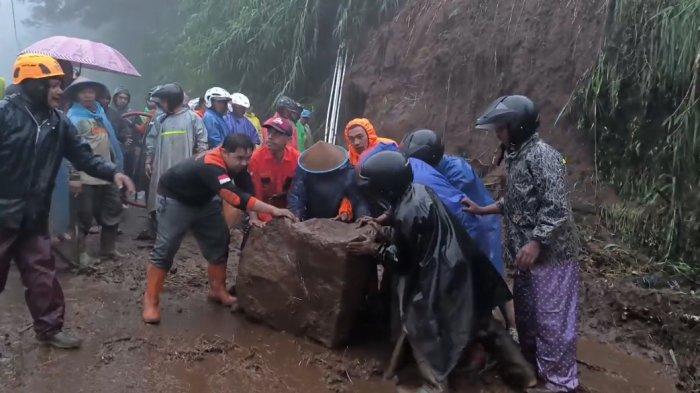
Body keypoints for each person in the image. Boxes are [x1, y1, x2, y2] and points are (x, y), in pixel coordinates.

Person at [348, 151, 534, 392]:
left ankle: (435, 384)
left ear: (386, 187)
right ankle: (526, 376)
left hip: (442, 277)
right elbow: (406, 226)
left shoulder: (408, 212)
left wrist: (374, 249)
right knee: (486, 325)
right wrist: (382, 224)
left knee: (422, 327)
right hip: (465, 265)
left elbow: (401, 261)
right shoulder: (417, 190)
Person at [0, 54, 135, 349]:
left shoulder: (58, 123)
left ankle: (49, 330)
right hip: (2, 215)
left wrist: (114, 172)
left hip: (33, 217)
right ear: (33, 84)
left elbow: (84, 156)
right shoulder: (4, 114)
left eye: (61, 85)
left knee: (42, 275)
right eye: (54, 85)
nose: (61, 91)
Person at [463, 95, 580, 392]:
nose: (498, 134)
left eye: (501, 128)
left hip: (551, 257)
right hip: (527, 257)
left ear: (518, 126)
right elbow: (516, 202)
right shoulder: (519, 156)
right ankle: (532, 368)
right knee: (528, 318)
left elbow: (556, 207)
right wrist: (482, 209)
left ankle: (559, 382)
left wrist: (537, 242)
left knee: (552, 323)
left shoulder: (543, 156)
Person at [142, 134, 296, 324]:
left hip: (204, 200)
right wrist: (272, 210)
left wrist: (257, 216)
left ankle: (218, 290)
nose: (244, 163)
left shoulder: (237, 164)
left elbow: (247, 189)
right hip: (176, 199)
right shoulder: (211, 165)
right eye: (239, 158)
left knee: (219, 240)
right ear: (224, 152)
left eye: (248, 158)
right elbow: (235, 197)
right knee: (165, 249)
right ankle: (151, 300)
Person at [64, 77, 126, 266]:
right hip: (85, 176)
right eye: (84, 92)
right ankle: (81, 254)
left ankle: (108, 248)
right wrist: (74, 176)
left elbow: (112, 142)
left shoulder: (100, 114)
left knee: (112, 210)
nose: (88, 95)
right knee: (83, 216)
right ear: (76, 95)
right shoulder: (72, 118)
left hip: (106, 172)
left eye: (91, 91)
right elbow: (68, 151)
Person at [139, 83, 208, 240]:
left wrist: (198, 163)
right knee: (157, 199)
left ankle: (180, 230)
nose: (161, 105)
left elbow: (202, 143)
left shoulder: (192, 118)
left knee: (182, 200)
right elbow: (152, 140)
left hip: (184, 168)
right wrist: (148, 160)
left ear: (172, 100)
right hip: (161, 167)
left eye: (163, 101)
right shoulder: (160, 119)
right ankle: (157, 231)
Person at [287, 141, 370, 221]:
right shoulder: (305, 171)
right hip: (311, 220)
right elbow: (297, 195)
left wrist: (362, 218)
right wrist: (295, 216)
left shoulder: (347, 173)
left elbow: (359, 200)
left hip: (338, 221)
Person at [336, 118, 397, 221]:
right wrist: (345, 211)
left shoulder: (388, 148)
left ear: (369, 134)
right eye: (351, 138)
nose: (356, 142)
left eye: (360, 137)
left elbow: (400, 184)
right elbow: (350, 189)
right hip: (365, 203)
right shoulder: (349, 158)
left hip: (389, 202)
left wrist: (387, 214)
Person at [248, 117, 300, 225]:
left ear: (289, 139)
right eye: (269, 132)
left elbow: (298, 194)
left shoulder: (297, 159)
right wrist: (263, 219)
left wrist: (295, 216)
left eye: (277, 134)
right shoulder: (256, 159)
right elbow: (254, 195)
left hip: (289, 209)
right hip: (263, 209)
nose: (270, 137)